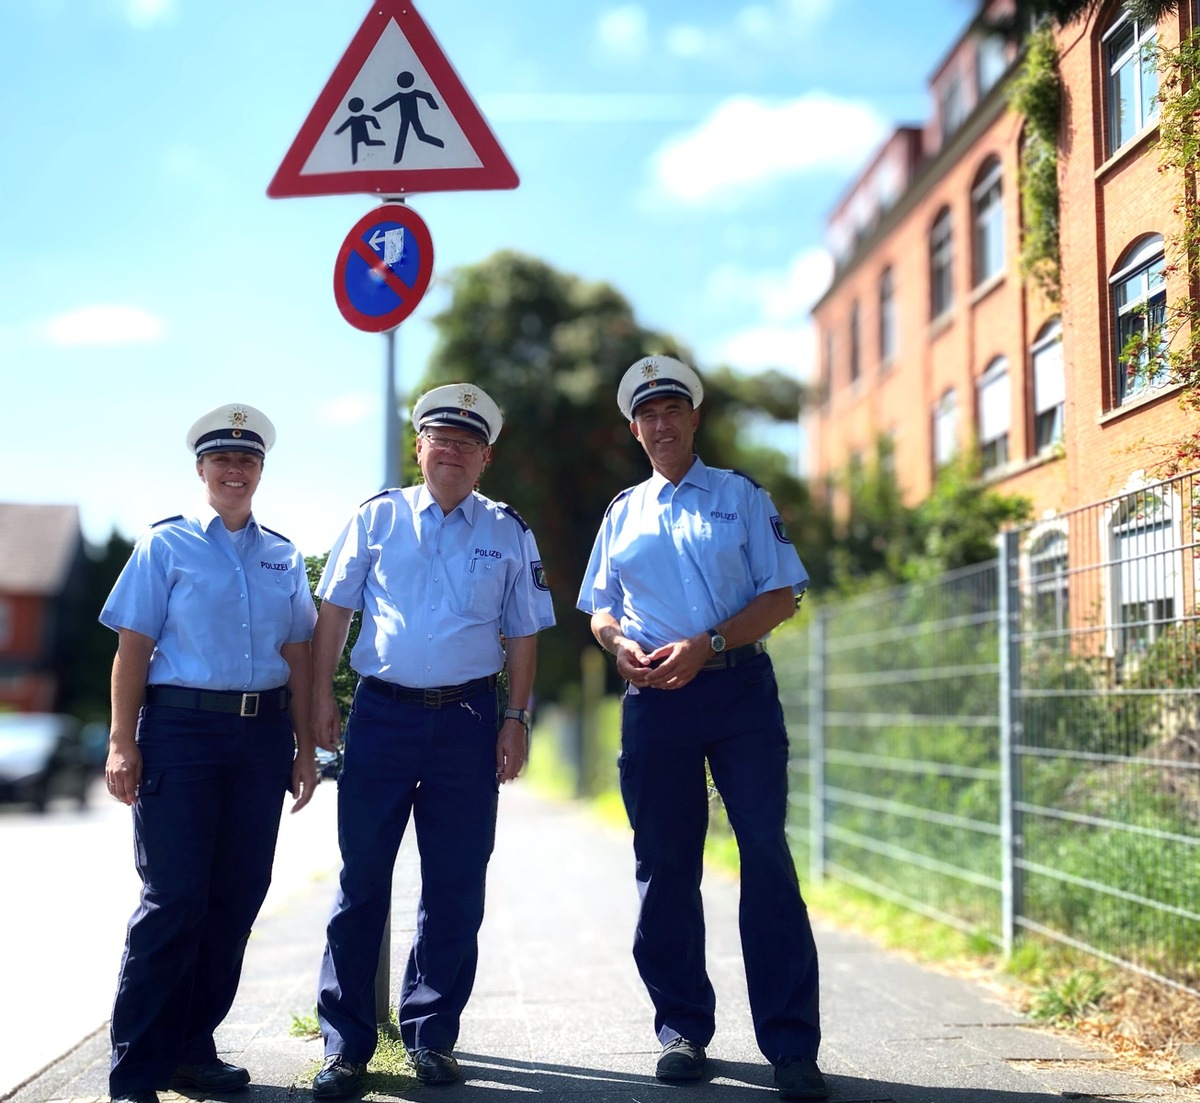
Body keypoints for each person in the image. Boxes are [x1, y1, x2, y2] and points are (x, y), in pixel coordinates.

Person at [576, 356, 828, 1100]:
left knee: (765, 855)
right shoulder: (622, 509)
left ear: (695, 418)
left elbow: (782, 595)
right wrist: (617, 641)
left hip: (737, 691)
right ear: (635, 428)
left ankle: (790, 1046)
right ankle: (682, 1028)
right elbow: (599, 605)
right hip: (654, 702)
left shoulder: (742, 496)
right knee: (665, 863)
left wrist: (708, 644)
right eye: (647, 415)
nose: (661, 424)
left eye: (673, 410)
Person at [310, 383, 555, 1097]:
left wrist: (517, 717)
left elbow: (525, 631)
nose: (452, 451)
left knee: (454, 886)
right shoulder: (377, 517)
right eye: (440, 439)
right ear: (420, 447)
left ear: (486, 457)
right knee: (362, 883)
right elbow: (335, 611)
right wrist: (322, 693)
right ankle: (346, 1044)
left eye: (468, 443)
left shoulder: (508, 530)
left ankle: (432, 1035)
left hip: (469, 722)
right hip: (382, 717)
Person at [100, 403, 318, 1103]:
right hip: (180, 733)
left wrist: (305, 747)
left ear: (261, 471)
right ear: (201, 469)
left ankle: (193, 1049)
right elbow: (132, 649)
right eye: (222, 459)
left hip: (260, 738)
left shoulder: (283, 552)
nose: (235, 470)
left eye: (247, 460)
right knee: (174, 897)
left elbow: (299, 653)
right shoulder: (163, 546)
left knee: (235, 898)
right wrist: (119, 740)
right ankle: (135, 1069)